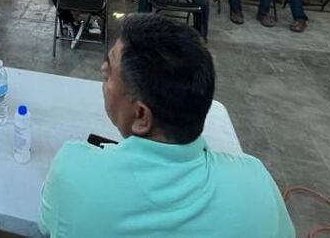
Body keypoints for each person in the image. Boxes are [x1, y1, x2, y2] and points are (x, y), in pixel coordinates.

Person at [39, 14, 294, 237]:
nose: (103, 70)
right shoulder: (256, 186)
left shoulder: (74, 172)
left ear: (141, 116)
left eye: (112, 69)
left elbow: (46, 226)